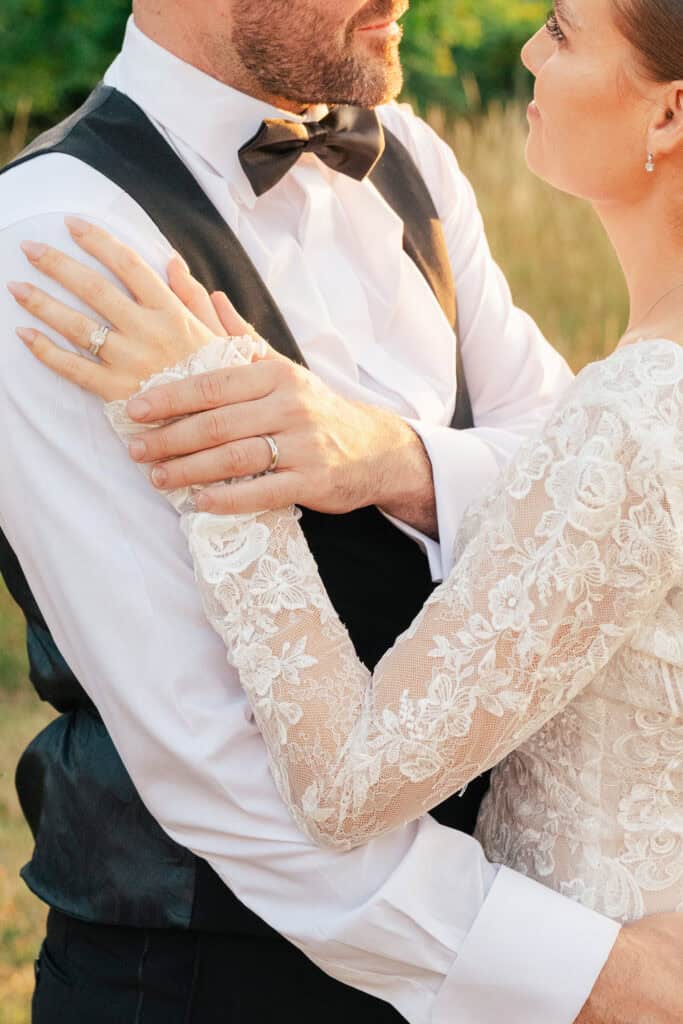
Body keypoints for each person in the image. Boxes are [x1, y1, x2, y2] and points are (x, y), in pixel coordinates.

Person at [2, 1, 680, 1022]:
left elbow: (581, 474)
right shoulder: (53, 243)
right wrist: (593, 978)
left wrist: (384, 454)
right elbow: (220, 768)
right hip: (211, 985)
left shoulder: (411, 157)